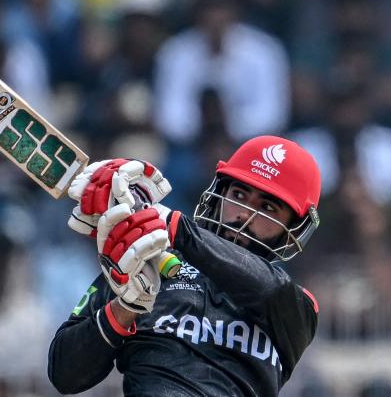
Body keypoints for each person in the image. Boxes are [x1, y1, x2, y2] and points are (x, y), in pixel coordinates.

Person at [48, 135, 321, 396]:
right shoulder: (144, 261)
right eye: (238, 194)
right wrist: (124, 309)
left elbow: (269, 288)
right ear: (218, 193)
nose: (244, 214)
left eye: (268, 208)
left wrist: (168, 222)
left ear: (291, 230)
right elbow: (65, 374)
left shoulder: (297, 307)